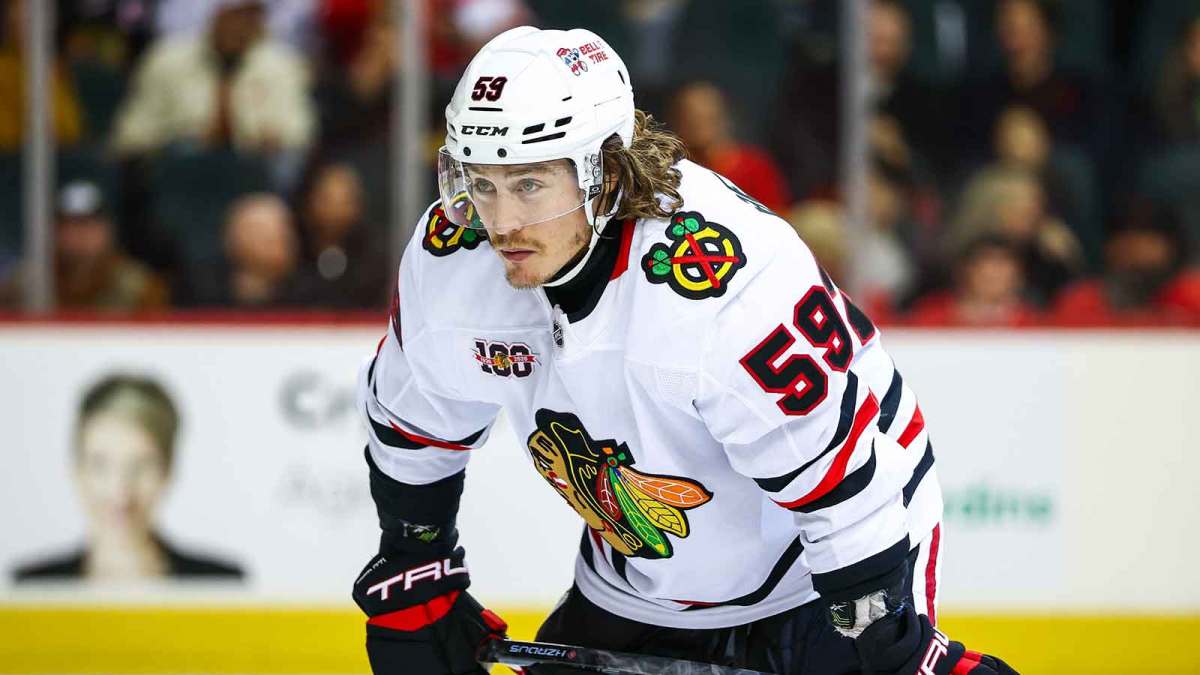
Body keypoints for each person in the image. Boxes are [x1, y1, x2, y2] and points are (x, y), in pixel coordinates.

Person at [350, 27, 1015, 675]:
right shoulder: (454, 261)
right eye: (483, 181)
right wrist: (417, 564)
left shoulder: (724, 292)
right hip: (640, 573)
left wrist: (885, 638)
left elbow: (842, 483)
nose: (500, 222)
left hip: (817, 558)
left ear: (604, 175)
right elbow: (415, 421)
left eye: (529, 184)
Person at [12, 374, 243, 582]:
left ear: (168, 470)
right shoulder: (32, 588)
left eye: (141, 466)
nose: (120, 491)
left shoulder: (218, 585)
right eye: (100, 465)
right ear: (77, 469)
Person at [0, 180, 168, 312]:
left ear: (107, 230)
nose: (78, 234)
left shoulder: (140, 287)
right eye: (68, 224)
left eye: (87, 224)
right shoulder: (24, 284)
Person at [178, 193, 299, 307]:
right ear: (230, 239)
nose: (274, 238)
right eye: (259, 231)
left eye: (282, 230)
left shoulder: (308, 293)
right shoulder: (201, 288)